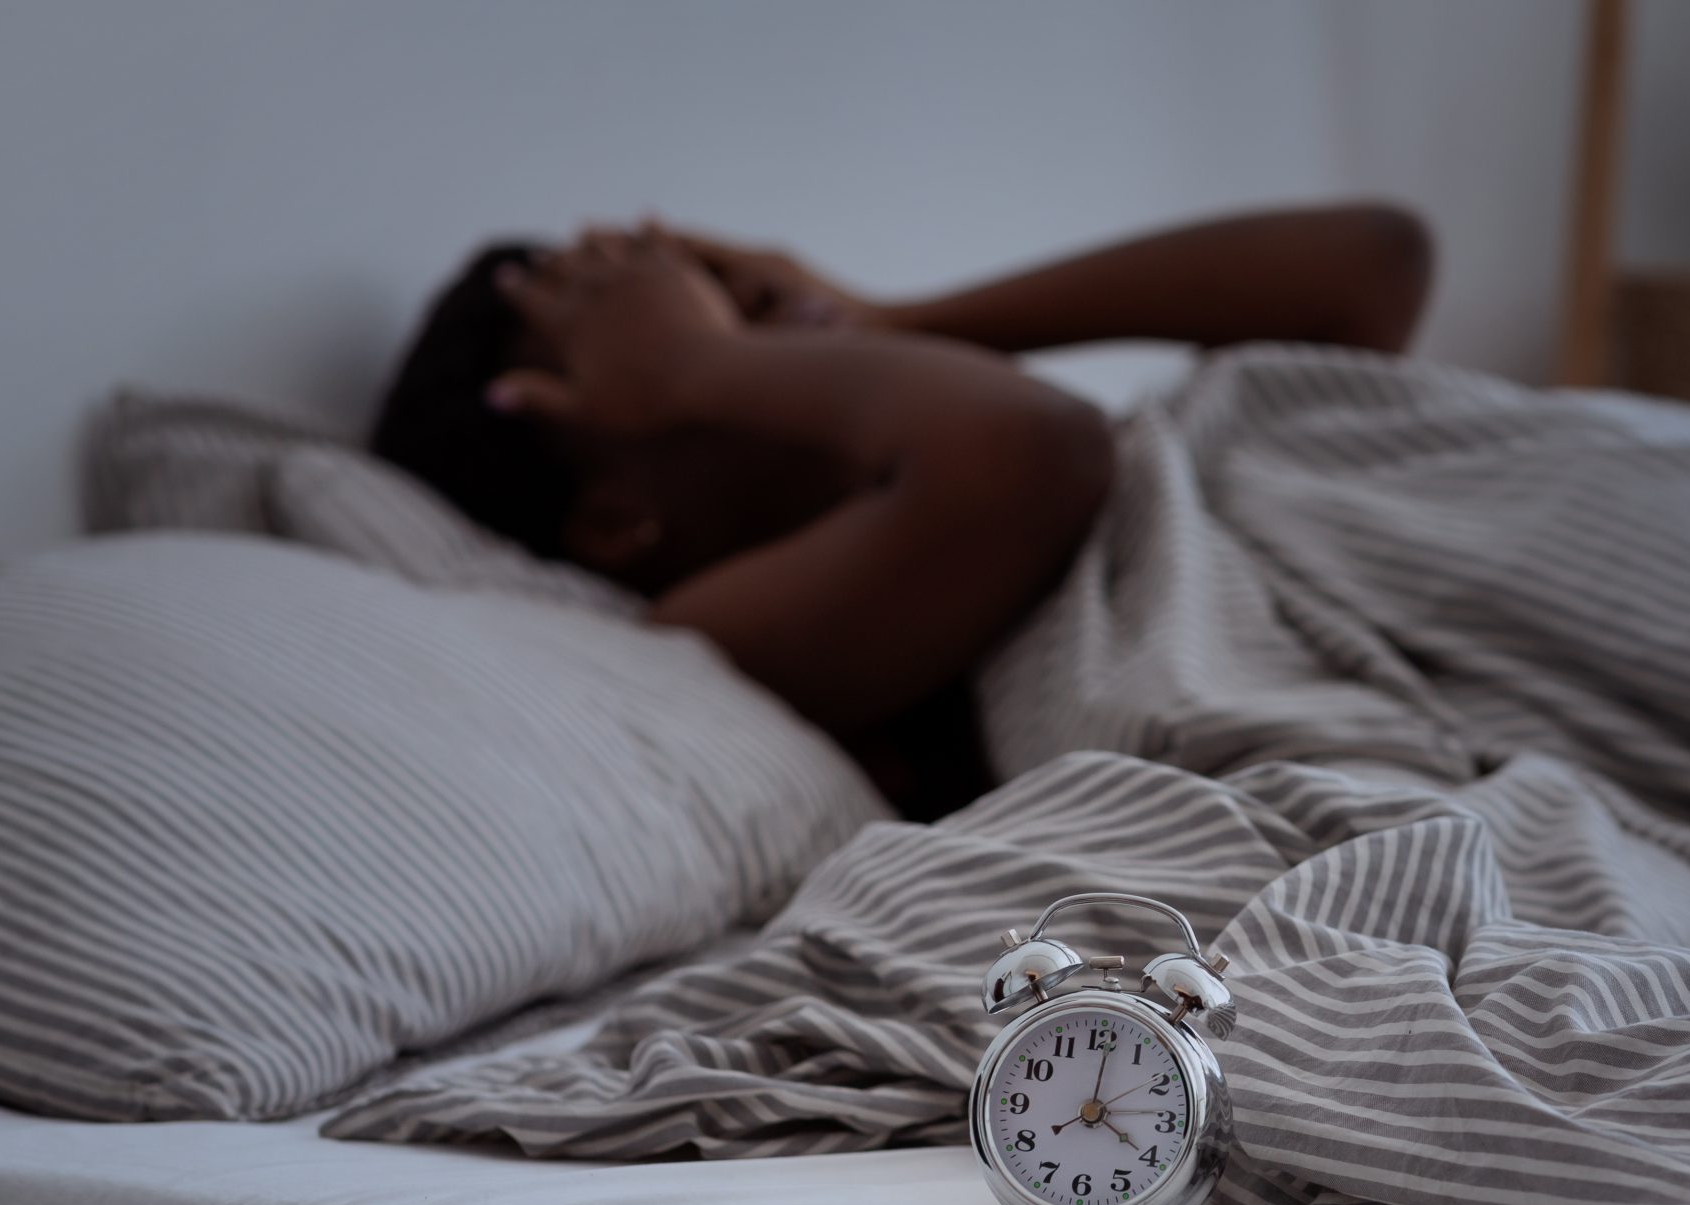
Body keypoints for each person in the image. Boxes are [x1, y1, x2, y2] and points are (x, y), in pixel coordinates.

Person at [371, 204, 1435, 816]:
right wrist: (710, 364)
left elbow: (1376, 262)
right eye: (658, 340)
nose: (734, 301)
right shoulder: (707, 637)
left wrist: (890, 317)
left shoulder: (982, 422)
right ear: (613, 520)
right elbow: (1034, 451)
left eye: (708, 283)